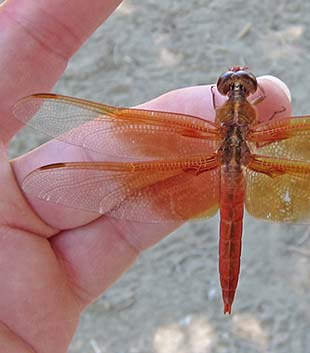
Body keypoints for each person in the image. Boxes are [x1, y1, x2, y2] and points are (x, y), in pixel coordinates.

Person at [0, 1, 291, 352]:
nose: (237, 88)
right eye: (236, 85)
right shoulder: (257, 112)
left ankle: (226, 299)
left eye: (239, 85)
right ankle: (229, 299)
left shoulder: (217, 113)